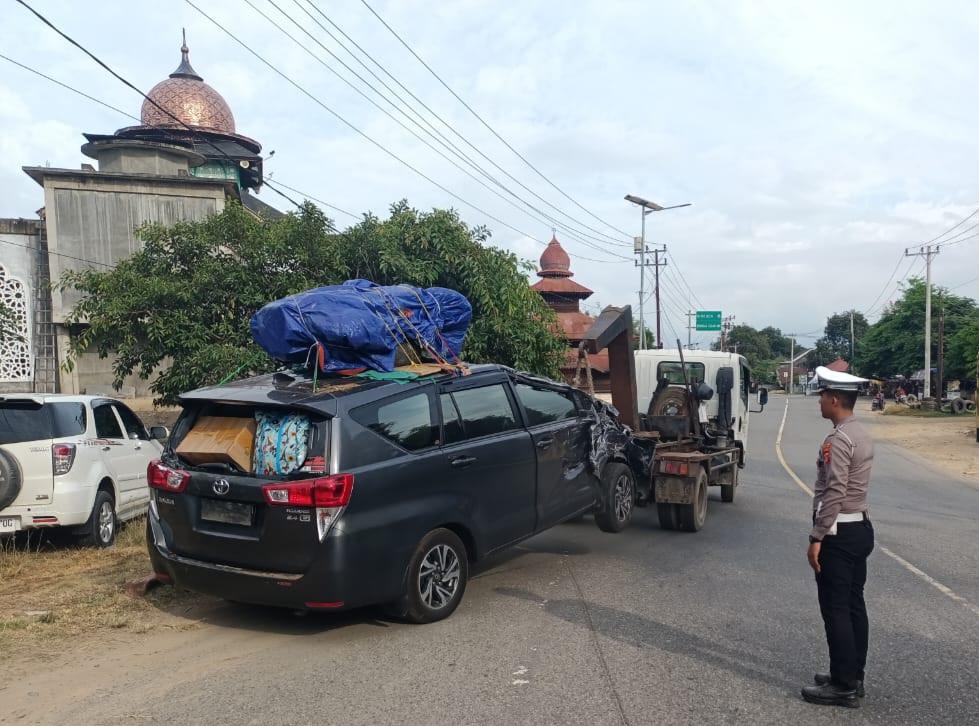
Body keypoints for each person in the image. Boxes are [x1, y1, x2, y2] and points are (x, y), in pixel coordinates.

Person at [802, 366, 875, 709]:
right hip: (859, 527)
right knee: (853, 605)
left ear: (835, 399)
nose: (819, 401)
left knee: (836, 609)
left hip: (839, 532)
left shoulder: (839, 440)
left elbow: (835, 490)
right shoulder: (859, 432)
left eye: (822, 396)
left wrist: (817, 536)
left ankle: (843, 686)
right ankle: (851, 675)